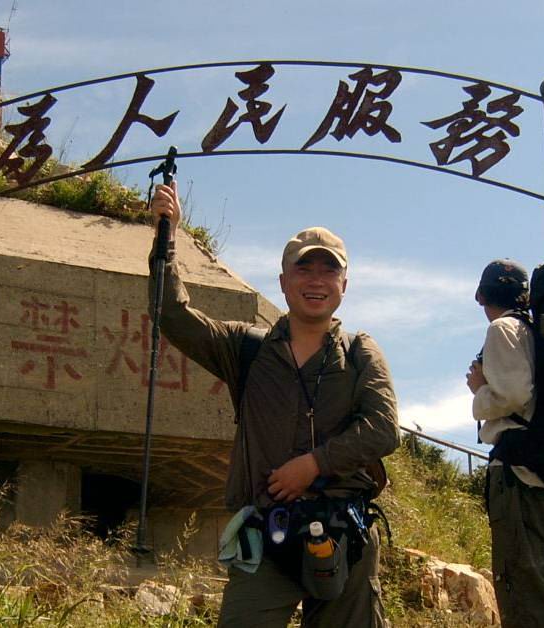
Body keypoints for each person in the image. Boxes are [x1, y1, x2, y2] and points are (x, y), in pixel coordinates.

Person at [149, 181, 400, 627]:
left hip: (346, 532)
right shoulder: (245, 347)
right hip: (267, 533)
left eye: (329, 271)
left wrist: (314, 464)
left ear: (344, 284)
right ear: (283, 282)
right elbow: (172, 315)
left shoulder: (360, 351)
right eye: (304, 269)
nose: (316, 280)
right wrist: (166, 236)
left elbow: (383, 429)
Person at [466, 259, 544, 627]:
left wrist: (479, 390)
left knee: (527, 595)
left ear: (481, 296)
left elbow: (512, 395)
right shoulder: (538, 331)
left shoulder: (503, 329)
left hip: (520, 477)